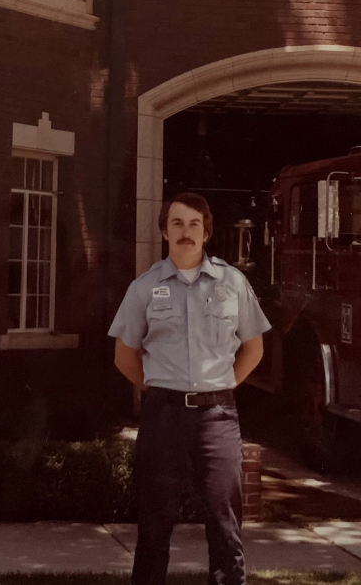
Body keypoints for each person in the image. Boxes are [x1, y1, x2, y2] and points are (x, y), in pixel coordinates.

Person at [108, 191, 271, 585]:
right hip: (163, 417)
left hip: (218, 418)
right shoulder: (144, 288)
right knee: (154, 524)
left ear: (206, 232)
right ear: (164, 231)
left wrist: (223, 386)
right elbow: (123, 355)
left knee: (225, 524)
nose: (186, 232)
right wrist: (159, 389)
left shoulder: (232, 282)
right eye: (177, 223)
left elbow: (254, 347)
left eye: (194, 224)